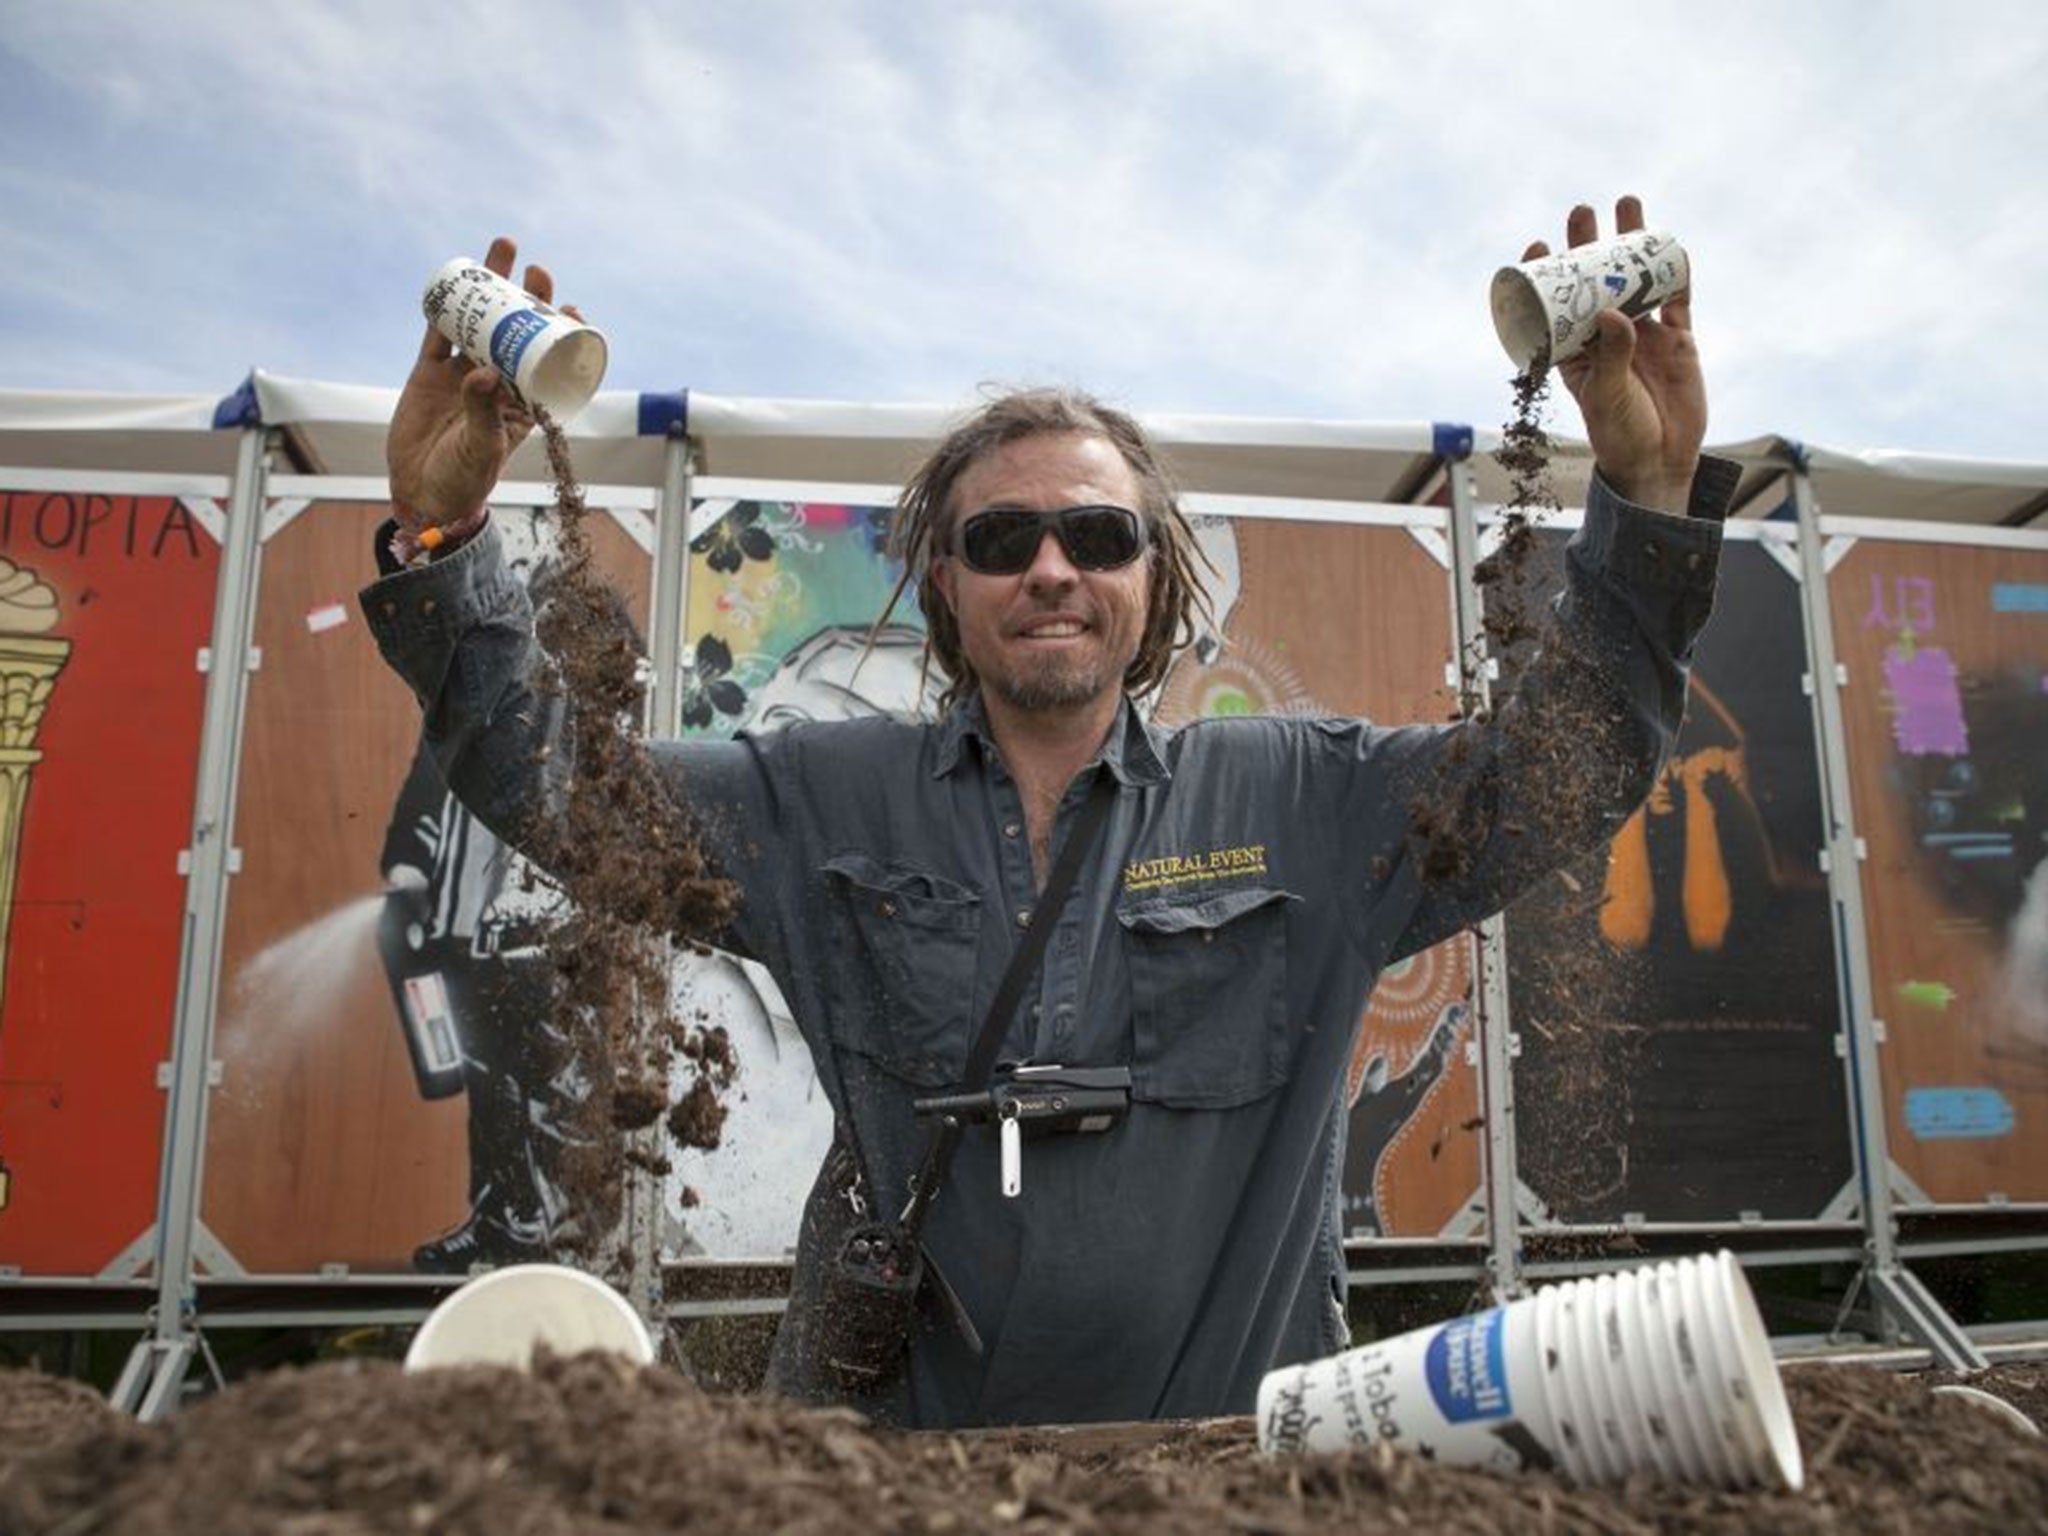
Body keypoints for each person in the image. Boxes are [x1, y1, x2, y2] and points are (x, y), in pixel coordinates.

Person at [364, 197, 1735, 1429]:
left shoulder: (1316, 801)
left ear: (1157, 578)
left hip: (1207, 1486)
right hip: (899, 1486)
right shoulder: (821, 797)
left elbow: (1576, 756)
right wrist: (444, 538)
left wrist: (1649, 496)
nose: (1052, 569)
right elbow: (564, 791)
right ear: (946, 586)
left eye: (1099, 536)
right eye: (1001, 541)